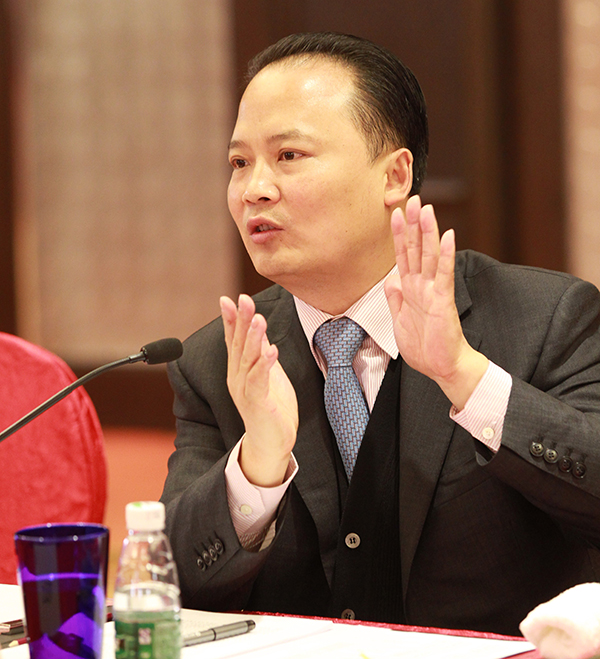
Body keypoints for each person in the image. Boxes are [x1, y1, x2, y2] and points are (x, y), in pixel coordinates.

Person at [160, 32, 600, 635]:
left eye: (289, 155)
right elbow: (169, 585)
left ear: (395, 175)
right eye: (239, 163)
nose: (254, 188)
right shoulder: (222, 359)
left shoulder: (543, 318)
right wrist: (257, 466)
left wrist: (465, 377)